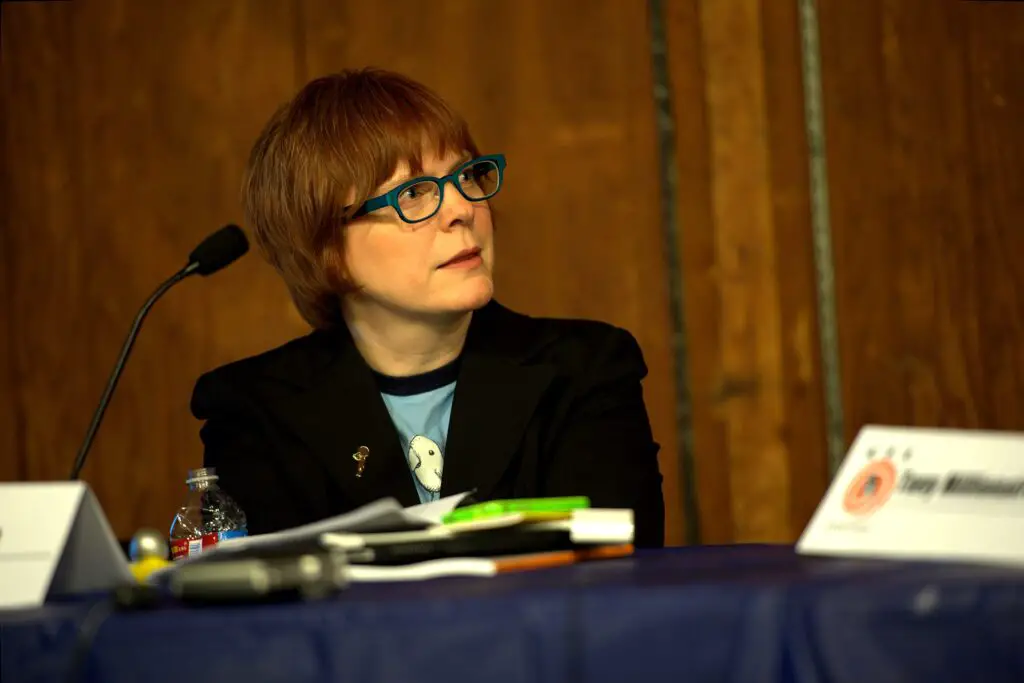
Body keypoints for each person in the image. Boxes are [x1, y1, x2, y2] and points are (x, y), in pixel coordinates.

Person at [190, 68, 666, 548]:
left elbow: (616, 576)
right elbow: (269, 609)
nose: (462, 208)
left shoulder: (586, 370)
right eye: (414, 193)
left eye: (466, 175)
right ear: (326, 249)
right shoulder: (254, 411)